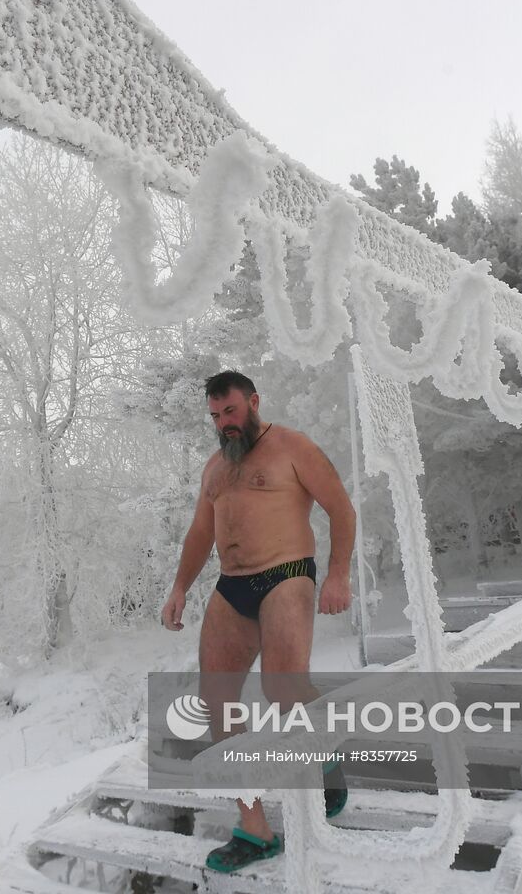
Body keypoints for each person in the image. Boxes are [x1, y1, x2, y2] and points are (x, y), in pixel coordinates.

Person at [160, 370, 357, 874]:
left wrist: (337, 575)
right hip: (233, 585)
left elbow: (340, 508)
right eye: (214, 416)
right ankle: (255, 828)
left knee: (282, 687)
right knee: (216, 701)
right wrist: (180, 587)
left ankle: (327, 752)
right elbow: (200, 535)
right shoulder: (215, 470)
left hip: (288, 572)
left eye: (229, 411)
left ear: (252, 402)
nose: (223, 423)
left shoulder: (291, 445)